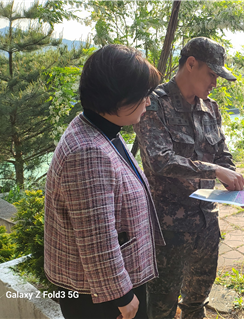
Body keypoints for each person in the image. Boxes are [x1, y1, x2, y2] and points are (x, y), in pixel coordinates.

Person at [44, 44, 164, 319]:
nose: (148, 101)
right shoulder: (87, 152)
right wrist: (121, 295)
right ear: (117, 97)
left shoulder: (101, 128)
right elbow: (96, 238)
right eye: (143, 95)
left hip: (103, 288)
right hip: (99, 297)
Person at [133, 37, 244, 319]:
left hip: (206, 224)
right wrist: (214, 171)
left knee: (196, 302)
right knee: (161, 306)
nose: (215, 83)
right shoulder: (153, 105)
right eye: (212, 74)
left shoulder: (210, 108)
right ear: (191, 64)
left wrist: (234, 181)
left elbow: (222, 154)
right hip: (169, 229)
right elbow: (161, 160)